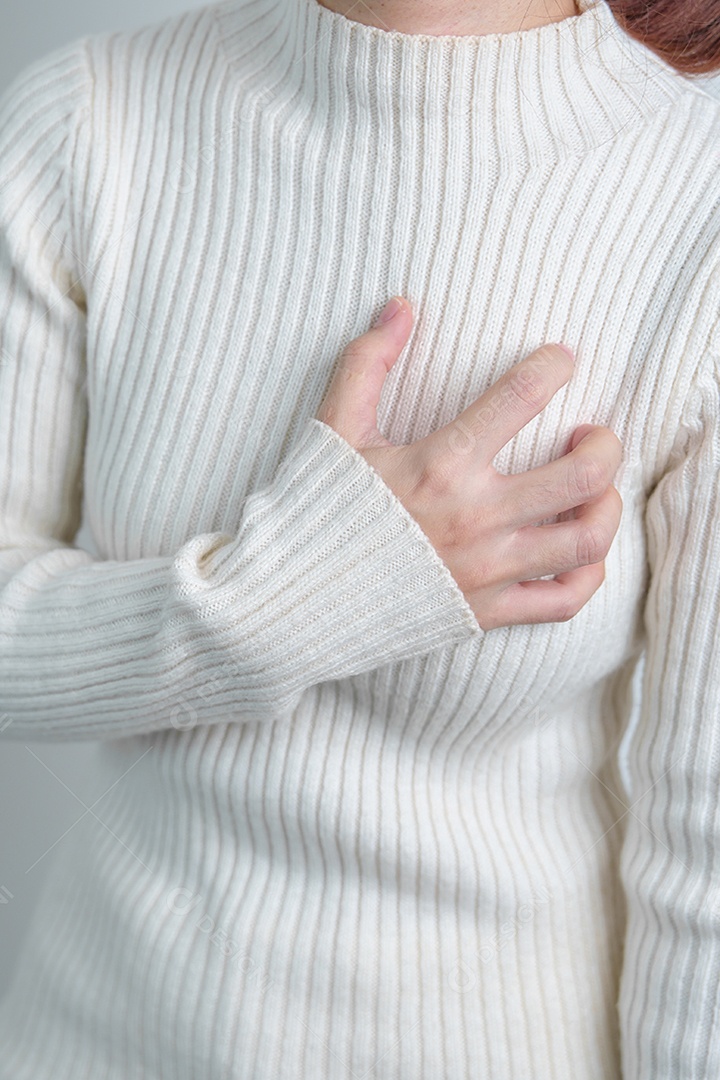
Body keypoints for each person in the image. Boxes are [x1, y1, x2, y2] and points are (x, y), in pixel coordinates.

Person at [0, 0, 718, 1076]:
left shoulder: (698, 202)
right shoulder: (84, 119)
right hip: (86, 1038)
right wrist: (304, 592)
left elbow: (707, 861)